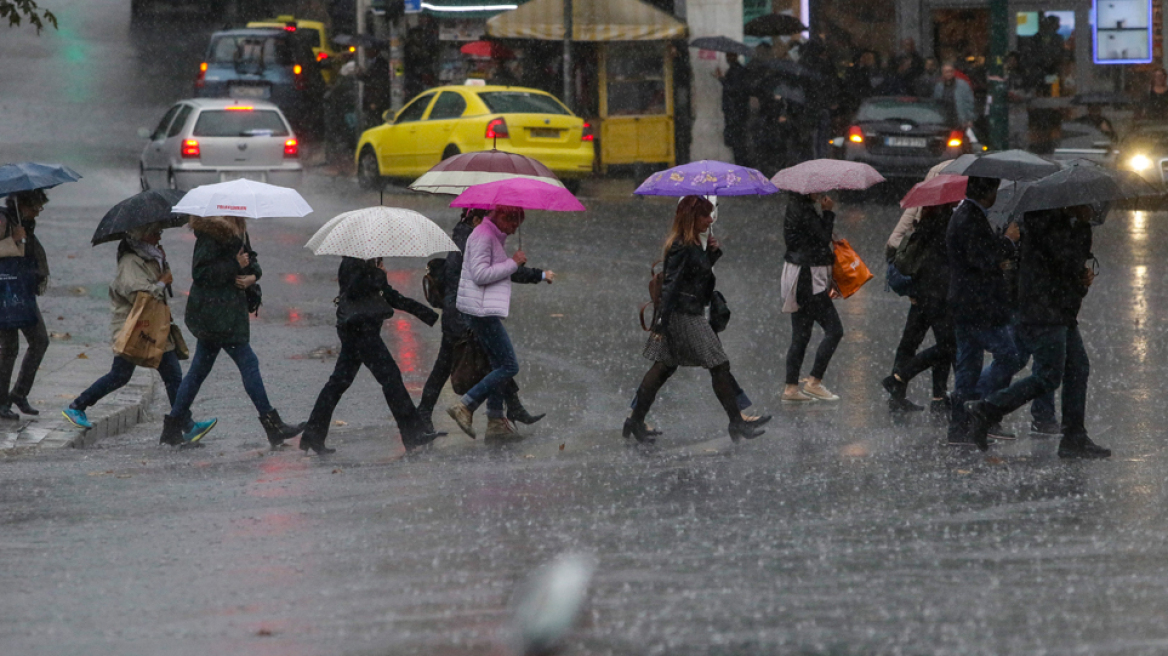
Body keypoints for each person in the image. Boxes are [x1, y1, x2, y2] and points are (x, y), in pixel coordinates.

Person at [966, 206, 1110, 458]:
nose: (1092, 207)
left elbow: (1068, 273)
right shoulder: (1051, 226)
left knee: (1077, 368)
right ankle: (988, 408)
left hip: (1057, 312)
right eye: (1087, 203)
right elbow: (1064, 266)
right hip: (1044, 313)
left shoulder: (1059, 225)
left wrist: (1081, 277)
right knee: (1049, 376)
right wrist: (1082, 234)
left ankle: (1074, 437)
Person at [624, 195, 767, 443]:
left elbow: (697, 277)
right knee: (718, 364)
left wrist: (712, 254)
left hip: (686, 311)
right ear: (691, 218)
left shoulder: (692, 244)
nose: (710, 219)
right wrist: (661, 323)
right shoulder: (681, 245)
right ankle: (735, 422)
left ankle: (635, 421)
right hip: (683, 315)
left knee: (663, 368)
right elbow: (670, 285)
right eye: (704, 215)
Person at [61, 224, 216, 445]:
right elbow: (138, 294)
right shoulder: (130, 262)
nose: (159, 236)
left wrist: (162, 266)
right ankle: (77, 406)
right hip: (133, 328)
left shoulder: (149, 257)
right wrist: (162, 282)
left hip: (153, 327)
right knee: (120, 375)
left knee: (173, 376)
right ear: (141, 235)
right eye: (155, 232)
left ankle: (187, 425)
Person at [157, 215, 304, 448]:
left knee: (198, 371)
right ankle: (273, 426)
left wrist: (251, 276)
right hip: (216, 314)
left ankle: (173, 427)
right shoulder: (210, 235)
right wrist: (235, 265)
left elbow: (251, 261)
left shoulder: (238, 230)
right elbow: (201, 273)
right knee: (248, 363)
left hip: (228, 313)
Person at [417, 209, 552, 435]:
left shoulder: (471, 235)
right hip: (464, 315)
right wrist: (525, 268)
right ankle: (467, 408)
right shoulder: (475, 237)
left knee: (494, 361)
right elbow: (482, 275)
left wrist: (531, 272)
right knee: (496, 364)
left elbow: (498, 271)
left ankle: (498, 416)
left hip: (464, 311)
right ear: (476, 219)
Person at [299, 256, 440, 455]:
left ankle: (313, 435)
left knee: (338, 383)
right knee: (391, 379)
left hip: (361, 330)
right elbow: (355, 289)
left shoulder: (370, 264)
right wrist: (378, 274)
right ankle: (413, 433)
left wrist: (428, 314)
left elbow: (389, 295)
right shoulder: (353, 261)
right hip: (359, 330)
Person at [945, 176, 1022, 446]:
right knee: (1008, 355)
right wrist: (1008, 242)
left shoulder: (965, 215)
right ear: (987, 193)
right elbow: (981, 257)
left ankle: (959, 425)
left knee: (968, 363)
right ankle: (974, 404)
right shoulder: (970, 218)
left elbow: (976, 257)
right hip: (978, 305)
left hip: (966, 303)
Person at [881, 200, 957, 413]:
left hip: (922, 291)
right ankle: (931, 393)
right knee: (948, 345)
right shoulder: (949, 221)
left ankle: (900, 392)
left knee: (912, 342)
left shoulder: (926, 217)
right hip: (938, 294)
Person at [780, 192, 844, 403]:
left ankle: (791, 388)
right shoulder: (805, 211)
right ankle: (814, 382)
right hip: (808, 276)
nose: (822, 192)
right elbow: (823, 238)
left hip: (796, 274)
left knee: (801, 334)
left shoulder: (794, 207)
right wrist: (828, 213)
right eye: (818, 189)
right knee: (834, 330)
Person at [0, 190, 51, 420]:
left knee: (39, 340)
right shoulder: (3, 220)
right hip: (5, 293)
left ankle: (19, 393)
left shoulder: (24, 223)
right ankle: (1, 402)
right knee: (9, 348)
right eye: (34, 208)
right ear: (21, 204)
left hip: (22, 291)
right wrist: (14, 240)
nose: (37, 213)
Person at [716, 52, 752, 165]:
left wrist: (722, 79)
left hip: (735, 111)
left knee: (737, 142)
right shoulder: (738, 70)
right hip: (737, 111)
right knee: (738, 141)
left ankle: (741, 163)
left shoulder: (736, 71)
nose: (727, 58)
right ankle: (741, 163)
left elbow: (734, 90)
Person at [934, 62, 976, 129]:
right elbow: (936, 103)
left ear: (954, 72)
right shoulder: (939, 86)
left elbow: (970, 103)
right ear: (942, 73)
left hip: (960, 119)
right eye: (946, 72)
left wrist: (969, 119)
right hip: (943, 120)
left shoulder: (963, 85)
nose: (949, 73)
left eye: (951, 71)